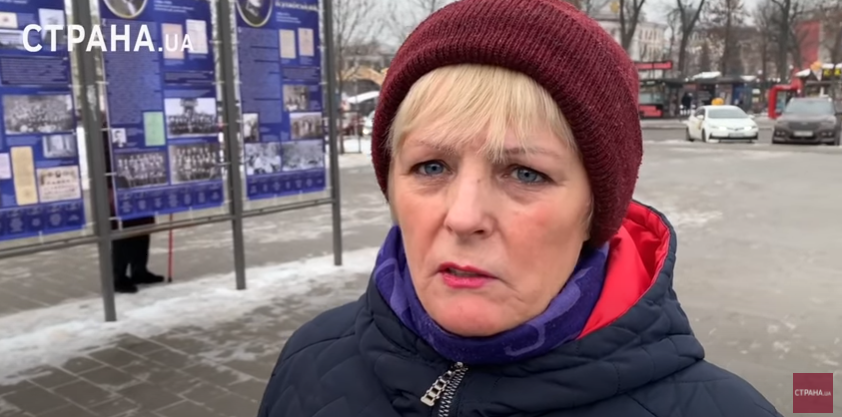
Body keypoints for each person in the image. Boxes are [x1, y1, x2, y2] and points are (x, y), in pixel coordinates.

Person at [257, 0, 782, 416]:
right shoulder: (310, 360)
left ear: (594, 209)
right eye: (431, 166)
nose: (464, 217)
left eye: (525, 173)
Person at [103, 125, 165, 294]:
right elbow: (105, 158)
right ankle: (118, 276)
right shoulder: (108, 127)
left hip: (141, 179)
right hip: (119, 184)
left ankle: (139, 270)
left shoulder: (138, 122)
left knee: (143, 225)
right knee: (123, 229)